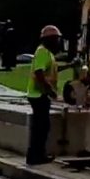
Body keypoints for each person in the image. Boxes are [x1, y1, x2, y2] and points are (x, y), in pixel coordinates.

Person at [26, 25, 62, 165]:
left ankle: (37, 154)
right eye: (56, 39)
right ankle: (35, 156)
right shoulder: (42, 52)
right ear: (49, 39)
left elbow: (50, 71)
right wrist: (49, 90)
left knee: (42, 127)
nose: (58, 41)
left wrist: (70, 65)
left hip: (40, 94)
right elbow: (39, 73)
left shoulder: (47, 53)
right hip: (38, 94)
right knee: (40, 128)